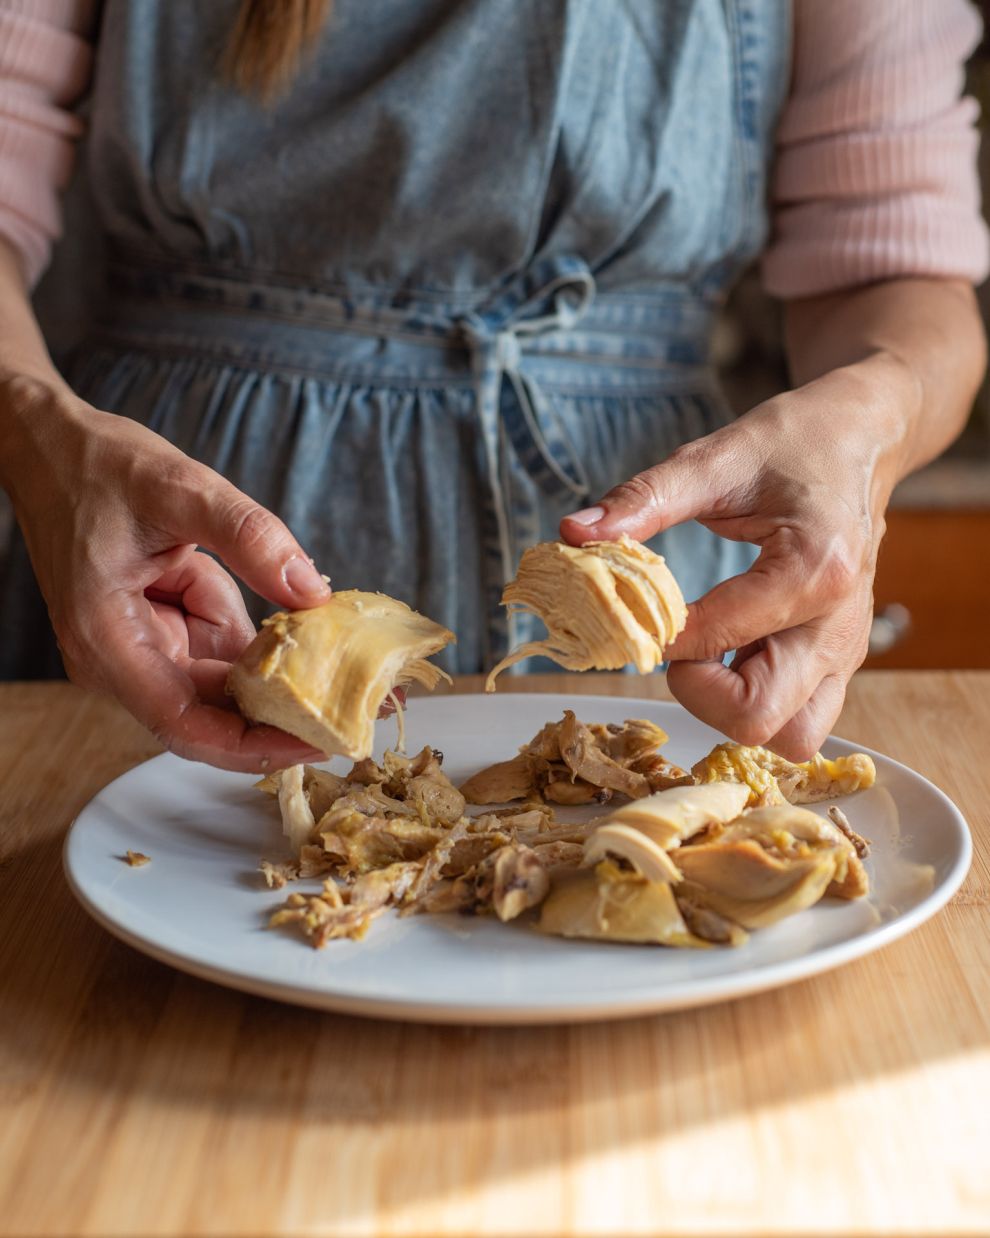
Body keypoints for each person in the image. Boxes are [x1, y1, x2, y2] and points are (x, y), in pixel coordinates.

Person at [0, 0, 986, 772]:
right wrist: (36, 426)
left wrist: (869, 429)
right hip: (169, 586)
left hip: (666, 617)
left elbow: (900, 280)